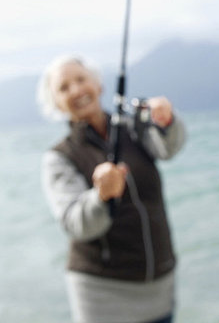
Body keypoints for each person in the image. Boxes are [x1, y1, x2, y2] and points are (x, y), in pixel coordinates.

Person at [37, 56, 186, 323]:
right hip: (102, 293)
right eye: (63, 88)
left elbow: (168, 148)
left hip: (159, 283)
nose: (76, 90)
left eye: (81, 79)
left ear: (98, 84)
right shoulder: (59, 157)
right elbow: (75, 223)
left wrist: (166, 121)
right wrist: (101, 196)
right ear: (56, 104)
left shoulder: (133, 128)